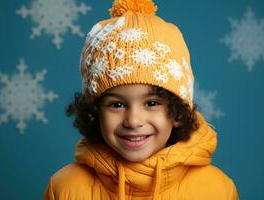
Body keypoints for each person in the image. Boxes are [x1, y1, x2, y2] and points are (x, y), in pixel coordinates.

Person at [44, 0, 239, 199]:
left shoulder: (217, 190)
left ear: (177, 112)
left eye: (151, 103)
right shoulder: (64, 188)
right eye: (117, 104)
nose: (133, 121)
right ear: (94, 113)